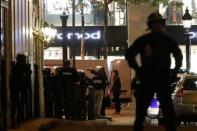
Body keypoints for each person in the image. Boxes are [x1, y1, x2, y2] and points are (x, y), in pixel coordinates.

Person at [125, 12, 183, 131]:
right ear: (151, 26)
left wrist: (175, 71)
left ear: (162, 25)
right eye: (155, 24)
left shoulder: (161, 40)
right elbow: (129, 54)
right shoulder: (153, 40)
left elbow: (178, 55)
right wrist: (138, 69)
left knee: (167, 112)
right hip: (150, 78)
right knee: (142, 113)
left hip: (158, 78)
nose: (157, 26)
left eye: (158, 24)